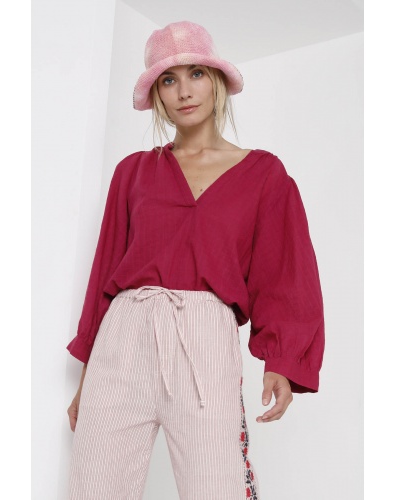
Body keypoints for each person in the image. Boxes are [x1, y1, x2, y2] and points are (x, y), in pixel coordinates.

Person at [66, 20, 325, 500]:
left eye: (196, 74)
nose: (184, 91)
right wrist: (87, 381)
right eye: (169, 80)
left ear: (217, 81)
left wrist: (284, 360)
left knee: (217, 486)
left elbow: (285, 271)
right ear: (157, 96)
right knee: (95, 488)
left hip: (205, 337)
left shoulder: (264, 174)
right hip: (123, 337)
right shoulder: (132, 172)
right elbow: (105, 273)